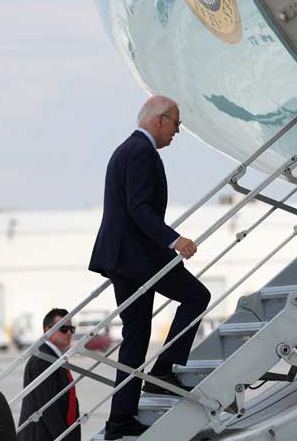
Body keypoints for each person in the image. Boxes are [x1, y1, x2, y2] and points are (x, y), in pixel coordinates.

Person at [88, 95, 211, 440]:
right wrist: (175, 240)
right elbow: (139, 208)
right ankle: (166, 368)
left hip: (122, 258)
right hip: (138, 256)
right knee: (197, 296)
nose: (177, 131)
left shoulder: (125, 149)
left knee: (136, 335)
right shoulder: (142, 152)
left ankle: (119, 420)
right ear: (159, 120)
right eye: (176, 123)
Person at [18, 308, 80, 441]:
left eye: (71, 329)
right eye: (63, 329)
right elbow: (48, 408)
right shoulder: (43, 360)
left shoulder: (54, 357)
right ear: (47, 330)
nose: (69, 333)